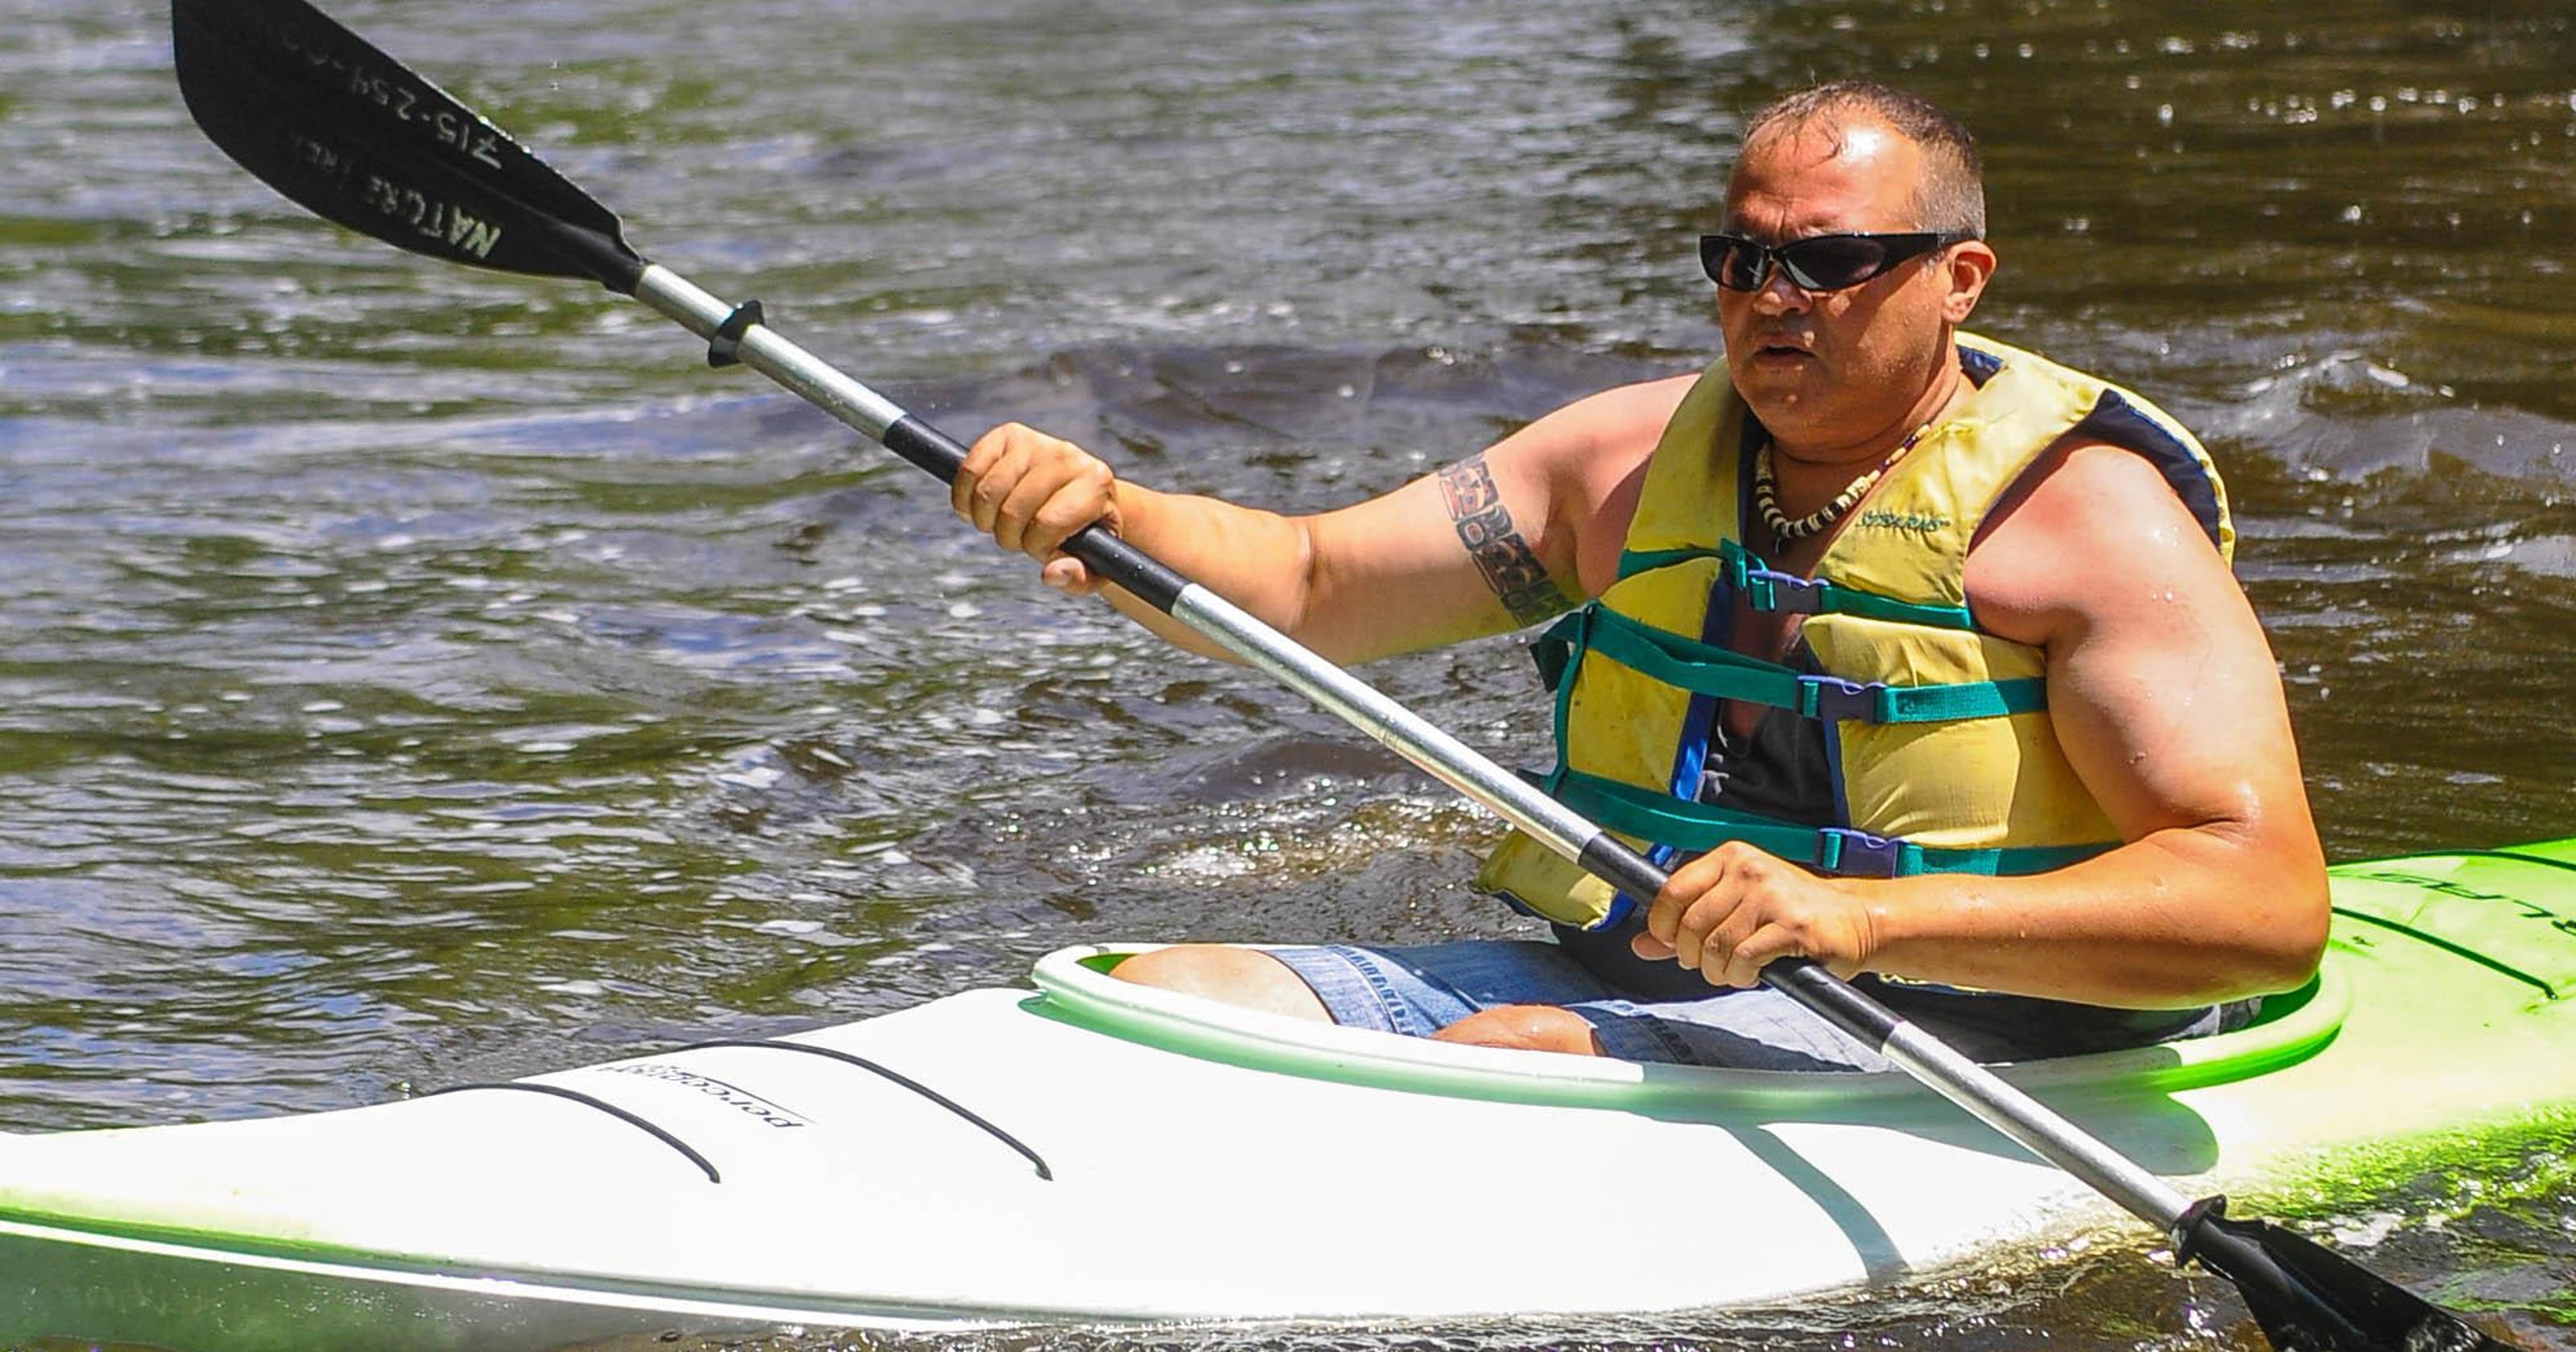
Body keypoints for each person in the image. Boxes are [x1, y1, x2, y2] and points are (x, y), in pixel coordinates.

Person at [951, 80, 2330, 1070]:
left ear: (1960, 277)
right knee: (1176, 988)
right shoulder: (1617, 462)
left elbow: (2262, 906)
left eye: (1833, 260)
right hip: (1638, 972)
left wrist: (1864, 918)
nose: (1774, 295)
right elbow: (1310, 582)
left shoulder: (2086, 521)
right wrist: (1108, 509)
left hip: (1984, 1013)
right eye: (1742, 257)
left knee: (1522, 1054)